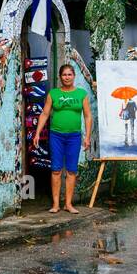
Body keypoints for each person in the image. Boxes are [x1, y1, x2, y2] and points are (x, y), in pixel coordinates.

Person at [32, 63, 92, 214]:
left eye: (69, 74)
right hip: (56, 136)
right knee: (56, 170)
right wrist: (38, 132)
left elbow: (87, 116)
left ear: (74, 76)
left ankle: (69, 204)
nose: (67, 77)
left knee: (71, 170)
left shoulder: (81, 94)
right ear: (60, 77)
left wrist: (88, 137)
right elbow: (45, 114)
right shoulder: (53, 94)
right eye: (64, 75)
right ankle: (56, 204)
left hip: (74, 136)